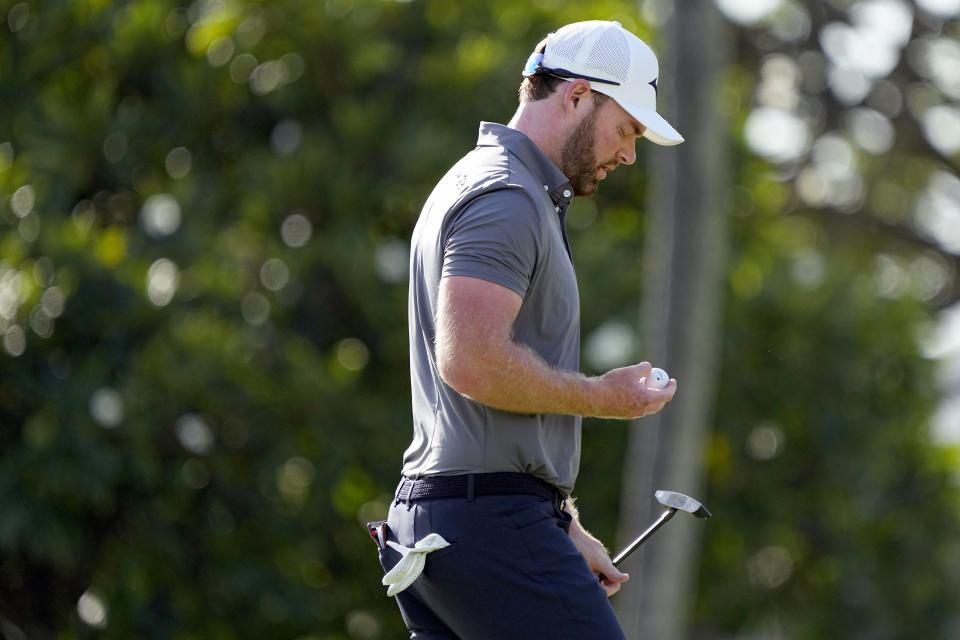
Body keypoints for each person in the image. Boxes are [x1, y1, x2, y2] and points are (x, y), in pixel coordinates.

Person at [375, 20, 683, 640]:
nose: (628, 153)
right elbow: (471, 363)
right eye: (625, 128)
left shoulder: (498, 186)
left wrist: (563, 526)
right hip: (487, 525)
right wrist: (605, 398)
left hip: (460, 522)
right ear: (576, 96)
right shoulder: (507, 197)